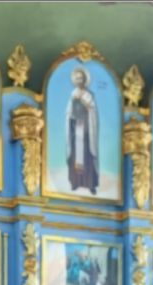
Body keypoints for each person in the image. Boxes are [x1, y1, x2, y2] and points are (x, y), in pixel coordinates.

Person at [65, 66, 100, 194]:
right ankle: (76, 182)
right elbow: (68, 113)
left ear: (85, 80)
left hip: (86, 132)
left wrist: (85, 104)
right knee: (75, 155)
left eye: (81, 78)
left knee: (87, 156)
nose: (79, 81)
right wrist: (71, 118)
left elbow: (92, 111)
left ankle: (90, 184)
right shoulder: (73, 95)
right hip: (76, 130)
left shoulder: (89, 95)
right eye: (77, 78)